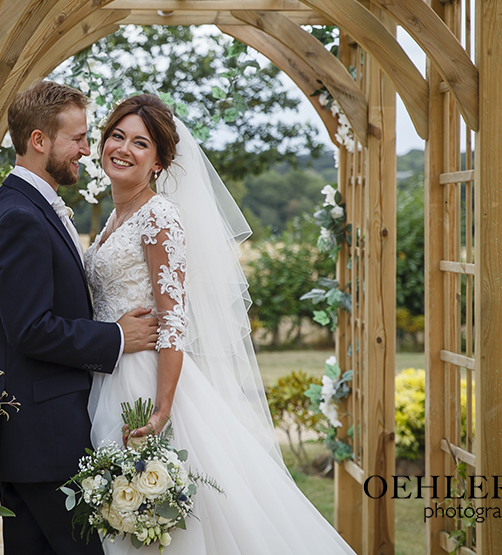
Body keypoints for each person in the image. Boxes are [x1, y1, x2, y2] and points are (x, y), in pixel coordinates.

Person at [84, 94, 357, 554]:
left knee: (156, 524)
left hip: (143, 383)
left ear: (158, 161)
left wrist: (162, 410)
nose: (123, 149)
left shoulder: (159, 215)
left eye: (140, 143)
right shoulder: (116, 215)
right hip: (107, 371)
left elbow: (173, 320)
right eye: (117, 136)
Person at [0, 81, 160, 555]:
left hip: (35, 438)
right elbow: (30, 329)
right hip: (45, 438)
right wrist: (116, 337)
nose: (87, 147)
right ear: (39, 141)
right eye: (77, 138)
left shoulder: (23, 206)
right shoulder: (20, 216)